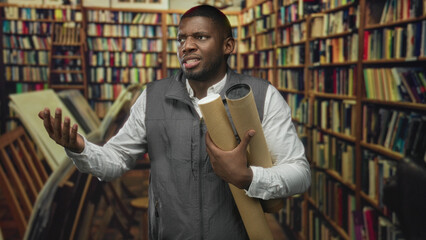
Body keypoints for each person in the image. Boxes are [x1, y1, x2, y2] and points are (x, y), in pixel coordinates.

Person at [39, 4, 311, 239]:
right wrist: (80, 148)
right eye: (181, 39)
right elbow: (116, 159)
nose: (187, 46)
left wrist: (248, 177)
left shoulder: (262, 96)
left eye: (201, 37)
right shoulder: (152, 97)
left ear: (228, 46)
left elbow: (299, 173)